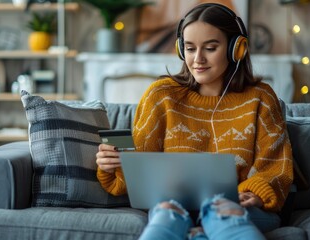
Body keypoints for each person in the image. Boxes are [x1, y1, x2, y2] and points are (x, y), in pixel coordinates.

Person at [96, 3, 293, 240]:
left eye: (210, 48)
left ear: (236, 49)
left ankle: (199, 231)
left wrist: (257, 193)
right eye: (190, 49)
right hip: (173, 206)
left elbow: (276, 166)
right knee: (166, 212)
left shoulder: (261, 97)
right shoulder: (161, 96)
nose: (198, 59)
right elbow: (139, 170)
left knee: (222, 210)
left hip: (239, 207)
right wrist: (112, 163)